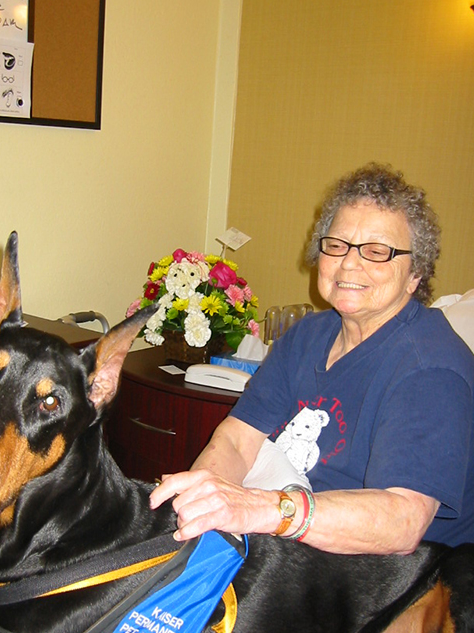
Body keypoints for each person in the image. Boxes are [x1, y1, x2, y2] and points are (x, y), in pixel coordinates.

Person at [150, 163, 474, 553]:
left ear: (415, 273)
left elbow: (402, 523)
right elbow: (237, 440)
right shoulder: (308, 335)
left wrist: (262, 510)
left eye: (377, 251)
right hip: (290, 544)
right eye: (336, 245)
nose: (349, 263)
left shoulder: (431, 370)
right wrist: (200, 512)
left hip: (389, 575)